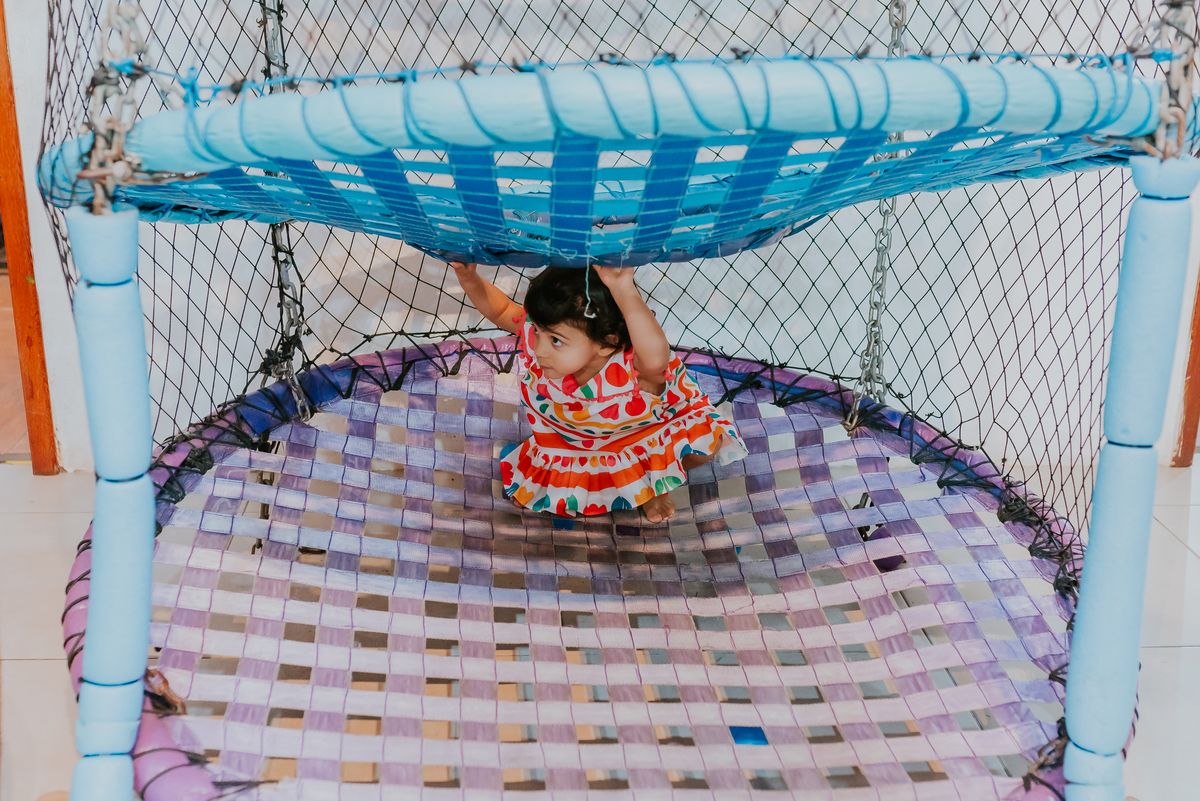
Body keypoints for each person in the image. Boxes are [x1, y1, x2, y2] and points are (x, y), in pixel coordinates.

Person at [450, 261, 748, 522]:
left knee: (704, 448)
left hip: (636, 437)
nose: (538, 348)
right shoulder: (541, 337)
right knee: (553, 488)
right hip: (573, 443)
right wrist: (470, 280)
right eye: (539, 331)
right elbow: (502, 310)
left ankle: (653, 486)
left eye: (555, 340)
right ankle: (570, 486)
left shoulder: (632, 367)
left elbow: (658, 357)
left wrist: (623, 289)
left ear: (606, 343)